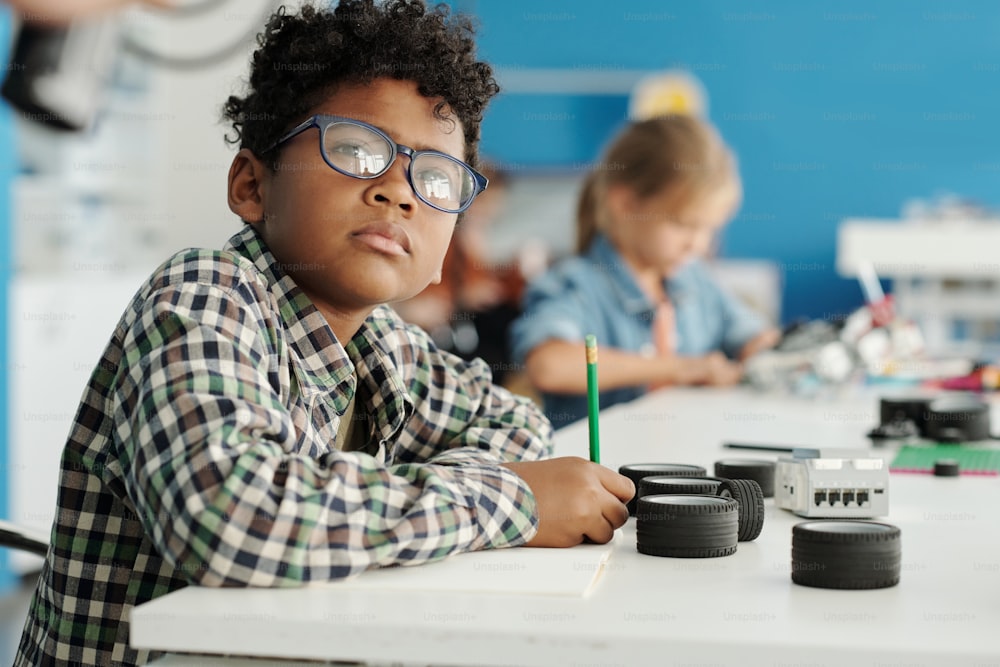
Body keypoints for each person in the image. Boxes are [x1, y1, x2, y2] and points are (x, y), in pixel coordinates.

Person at [14, 2, 634, 665]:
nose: (399, 192)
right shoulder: (203, 297)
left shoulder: (382, 343)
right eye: (357, 150)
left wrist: (386, 507)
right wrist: (511, 499)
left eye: (436, 178)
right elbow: (235, 518)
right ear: (252, 185)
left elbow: (516, 426)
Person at [510, 114, 781, 428]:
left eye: (708, 229)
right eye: (683, 225)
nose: (697, 245)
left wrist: (766, 351)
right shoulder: (574, 284)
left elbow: (751, 334)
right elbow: (549, 366)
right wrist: (680, 368)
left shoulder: (696, 280)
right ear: (625, 204)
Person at [394, 164, 542, 387]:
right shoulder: (444, 241)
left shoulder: (475, 241)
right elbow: (419, 303)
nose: (487, 211)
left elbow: (486, 286)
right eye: (482, 203)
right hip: (434, 341)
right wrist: (460, 299)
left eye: (494, 204)